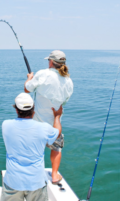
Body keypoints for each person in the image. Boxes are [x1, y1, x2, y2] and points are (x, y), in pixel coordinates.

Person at [1, 93, 63, 201]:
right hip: (36, 182)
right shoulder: (44, 128)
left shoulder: (6, 125)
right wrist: (57, 116)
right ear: (33, 109)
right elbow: (57, 133)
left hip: (13, 181)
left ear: (16, 110)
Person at [24, 50, 73, 184]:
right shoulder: (68, 81)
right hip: (55, 125)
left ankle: (33, 175)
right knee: (56, 149)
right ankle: (55, 175)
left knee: (35, 149)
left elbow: (27, 89)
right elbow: (65, 101)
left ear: (51, 61)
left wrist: (29, 78)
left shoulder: (42, 74)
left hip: (38, 124)